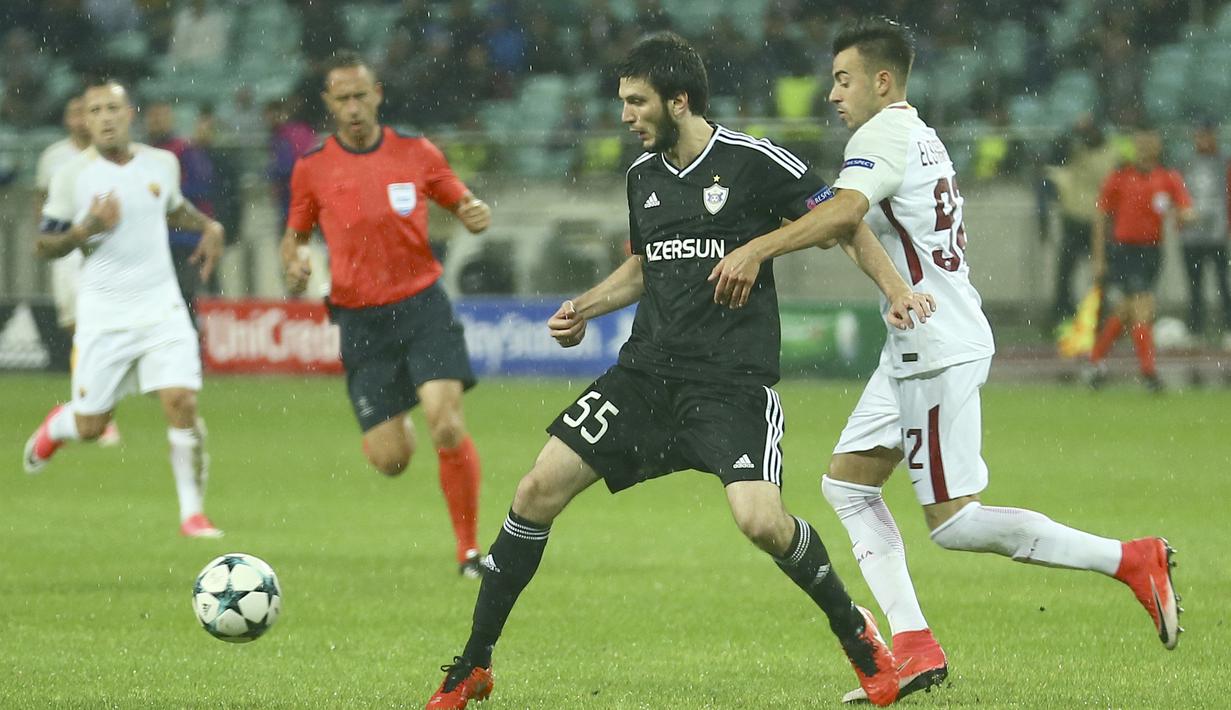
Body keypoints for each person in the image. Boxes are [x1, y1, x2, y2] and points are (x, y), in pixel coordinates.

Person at [425, 33, 938, 710]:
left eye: (636, 102)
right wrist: (585, 305)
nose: (625, 115)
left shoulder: (752, 162)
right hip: (644, 376)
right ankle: (473, 666)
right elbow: (646, 264)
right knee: (534, 490)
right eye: (623, 101)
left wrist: (895, 290)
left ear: (679, 99)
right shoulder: (641, 175)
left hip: (729, 384)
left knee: (760, 521)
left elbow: (842, 222)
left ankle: (857, 635)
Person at [709, 18, 1183, 703]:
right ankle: (914, 646)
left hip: (931, 345)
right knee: (847, 485)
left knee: (955, 522)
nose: (832, 94)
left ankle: (1130, 560)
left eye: (842, 80)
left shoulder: (881, 134)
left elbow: (843, 215)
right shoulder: (920, 134)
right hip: (920, 337)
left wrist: (755, 249)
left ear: (881, 81)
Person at [280, 51, 490, 578]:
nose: (353, 107)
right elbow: (295, 237)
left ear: (377, 95)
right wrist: (295, 264)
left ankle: (468, 552)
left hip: (421, 305)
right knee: (390, 460)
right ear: (329, 104)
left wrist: (472, 210)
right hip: (360, 320)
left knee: (446, 422)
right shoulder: (312, 168)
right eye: (342, 99)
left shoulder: (415, 152)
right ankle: (399, 415)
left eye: (361, 95)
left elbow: (459, 198)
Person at [22, 78, 225, 539]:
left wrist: (207, 225)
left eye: (112, 108)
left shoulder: (162, 163)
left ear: (129, 113)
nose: (104, 118)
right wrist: (83, 230)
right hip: (105, 313)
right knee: (93, 425)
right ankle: (61, 424)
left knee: (182, 401)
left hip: (161, 305)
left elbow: (168, 206)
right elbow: (42, 244)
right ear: (86, 120)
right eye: (94, 111)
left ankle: (193, 514)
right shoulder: (72, 176)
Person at [34, 96, 122, 446]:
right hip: (69, 251)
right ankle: (88, 406)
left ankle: (92, 408)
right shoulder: (54, 158)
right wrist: (46, 242)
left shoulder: (114, 155)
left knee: (97, 331)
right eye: (74, 113)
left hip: (104, 254)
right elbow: (42, 205)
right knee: (78, 329)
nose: (80, 120)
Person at [1087, 126, 1194, 391]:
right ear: (1135, 144)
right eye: (1141, 141)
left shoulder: (1167, 177)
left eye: (1150, 141)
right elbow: (1101, 216)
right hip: (1125, 250)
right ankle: (1149, 373)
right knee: (1143, 307)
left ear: (1157, 145)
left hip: (1152, 251)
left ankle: (1095, 362)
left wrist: (1183, 215)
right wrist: (1099, 257)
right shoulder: (1121, 176)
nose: (1145, 146)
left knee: (1125, 310)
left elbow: (1185, 209)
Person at [145, 99, 218, 324]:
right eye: (153, 117)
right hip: (156, 241)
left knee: (185, 298)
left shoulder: (185, 150)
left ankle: (194, 350)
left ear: (171, 119)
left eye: (161, 117)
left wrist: (167, 195)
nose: (157, 122)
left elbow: (204, 186)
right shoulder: (142, 153)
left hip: (185, 239)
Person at [1044, 115, 1120, 328]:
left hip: (1101, 220)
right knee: (1066, 271)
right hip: (1075, 217)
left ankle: (1100, 314)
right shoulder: (1075, 149)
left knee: (1101, 272)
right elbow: (1052, 156)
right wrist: (1071, 132)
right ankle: (1062, 311)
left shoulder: (1112, 153)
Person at [1178, 122, 1230, 342]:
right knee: (1194, 285)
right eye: (1200, 136)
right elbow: (1177, 193)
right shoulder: (1186, 163)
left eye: (1207, 135)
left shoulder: (1223, 162)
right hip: (1191, 236)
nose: (1203, 140)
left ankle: (1227, 326)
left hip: (1216, 235)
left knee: (1222, 283)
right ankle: (1196, 328)